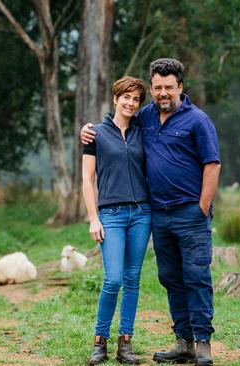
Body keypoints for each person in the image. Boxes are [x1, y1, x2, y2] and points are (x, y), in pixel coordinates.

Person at [82, 58, 220, 366]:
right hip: (158, 215)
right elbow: (116, 125)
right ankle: (182, 341)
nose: (162, 93)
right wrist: (87, 132)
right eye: (157, 87)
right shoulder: (145, 117)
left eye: (168, 87)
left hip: (190, 215)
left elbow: (212, 165)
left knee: (196, 276)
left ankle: (203, 344)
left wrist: (202, 207)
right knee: (170, 277)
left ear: (180, 87)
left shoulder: (198, 120)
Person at [82, 76, 151, 365]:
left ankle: (126, 342)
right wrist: (93, 218)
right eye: (126, 97)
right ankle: (100, 342)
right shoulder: (95, 134)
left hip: (141, 214)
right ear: (115, 98)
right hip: (110, 214)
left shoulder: (143, 131)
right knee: (113, 279)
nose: (131, 103)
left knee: (132, 279)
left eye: (135, 99)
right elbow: (87, 180)